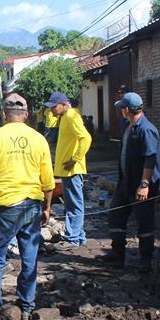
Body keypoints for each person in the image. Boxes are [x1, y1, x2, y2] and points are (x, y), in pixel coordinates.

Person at [0, 93, 54, 320]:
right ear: (26, 115)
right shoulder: (39, 139)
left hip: (5, 206)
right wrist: (47, 207)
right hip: (31, 205)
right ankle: (26, 307)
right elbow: (48, 180)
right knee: (29, 258)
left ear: (3, 115)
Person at [101, 92, 160, 273]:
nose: (120, 111)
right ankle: (118, 255)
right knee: (116, 217)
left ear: (127, 109)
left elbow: (149, 159)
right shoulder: (129, 126)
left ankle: (146, 260)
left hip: (140, 185)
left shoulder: (146, 129)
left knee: (144, 223)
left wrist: (144, 184)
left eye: (121, 108)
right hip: (125, 183)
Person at [46, 91, 91, 251]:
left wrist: (74, 159)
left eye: (53, 107)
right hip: (67, 171)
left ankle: (73, 238)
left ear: (63, 104)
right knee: (72, 204)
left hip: (72, 170)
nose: (51, 110)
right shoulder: (65, 117)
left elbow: (86, 138)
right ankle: (79, 236)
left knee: (74, 205)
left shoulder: (71, 116)